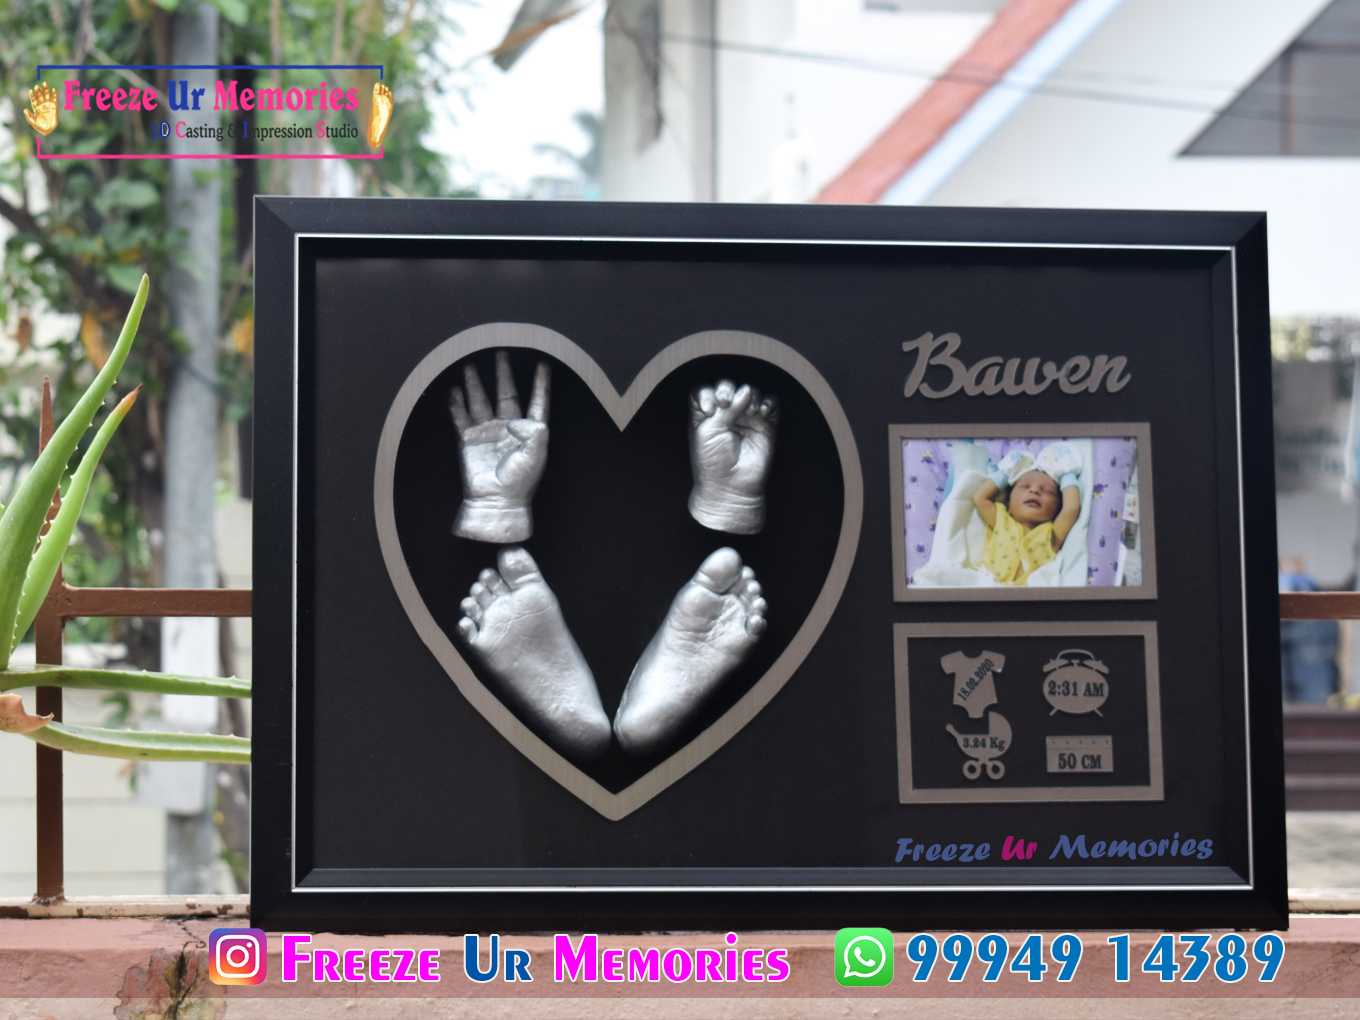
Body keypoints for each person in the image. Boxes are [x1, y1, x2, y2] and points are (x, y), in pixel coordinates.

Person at [970, 444, 1082, 586]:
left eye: (1048, 491)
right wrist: (1006, 473)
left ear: (1056, 509)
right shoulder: (1001, 520)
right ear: (1009, 504)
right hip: (988, 585)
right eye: (1024, 487)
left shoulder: (1052, 533)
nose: (1034, 491)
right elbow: (980, 498)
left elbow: (1071, 508)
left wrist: (1066, 473)